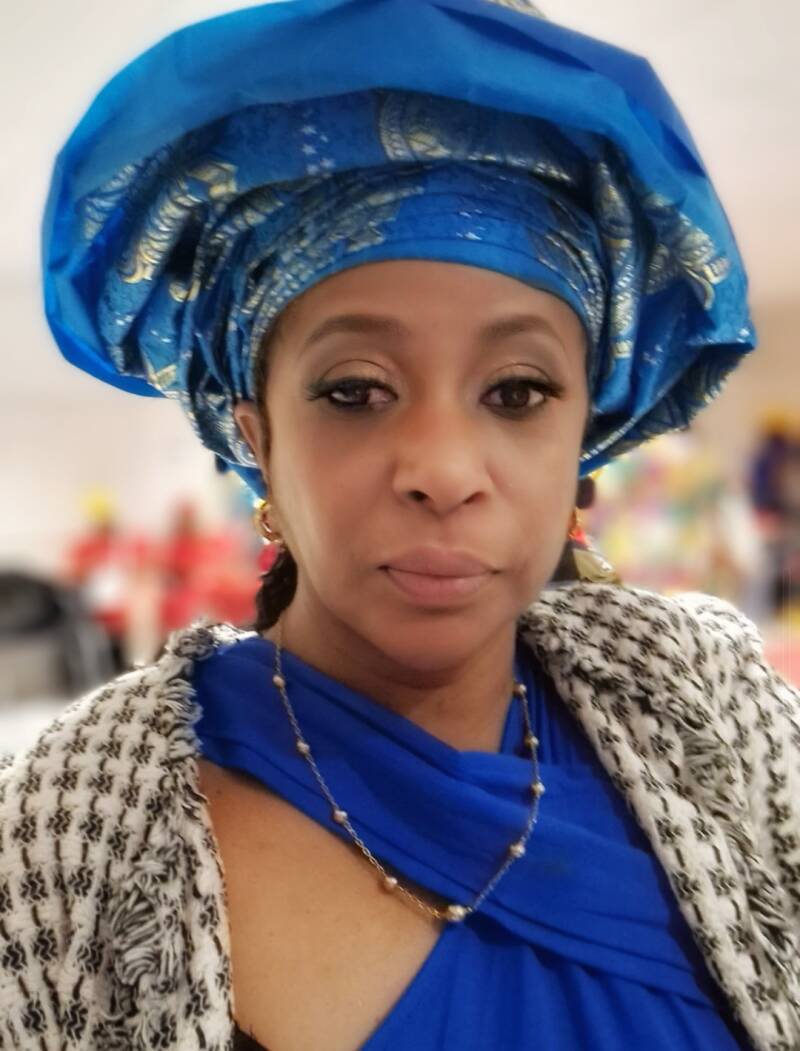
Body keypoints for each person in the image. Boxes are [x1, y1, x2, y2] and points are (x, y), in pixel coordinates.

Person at [2, 1, 799, 1048]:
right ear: (257, 439)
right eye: (354, 391)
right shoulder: (67, 833)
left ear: (582, 440)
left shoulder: (711, 702)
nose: (443, 472)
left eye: (516, 392)